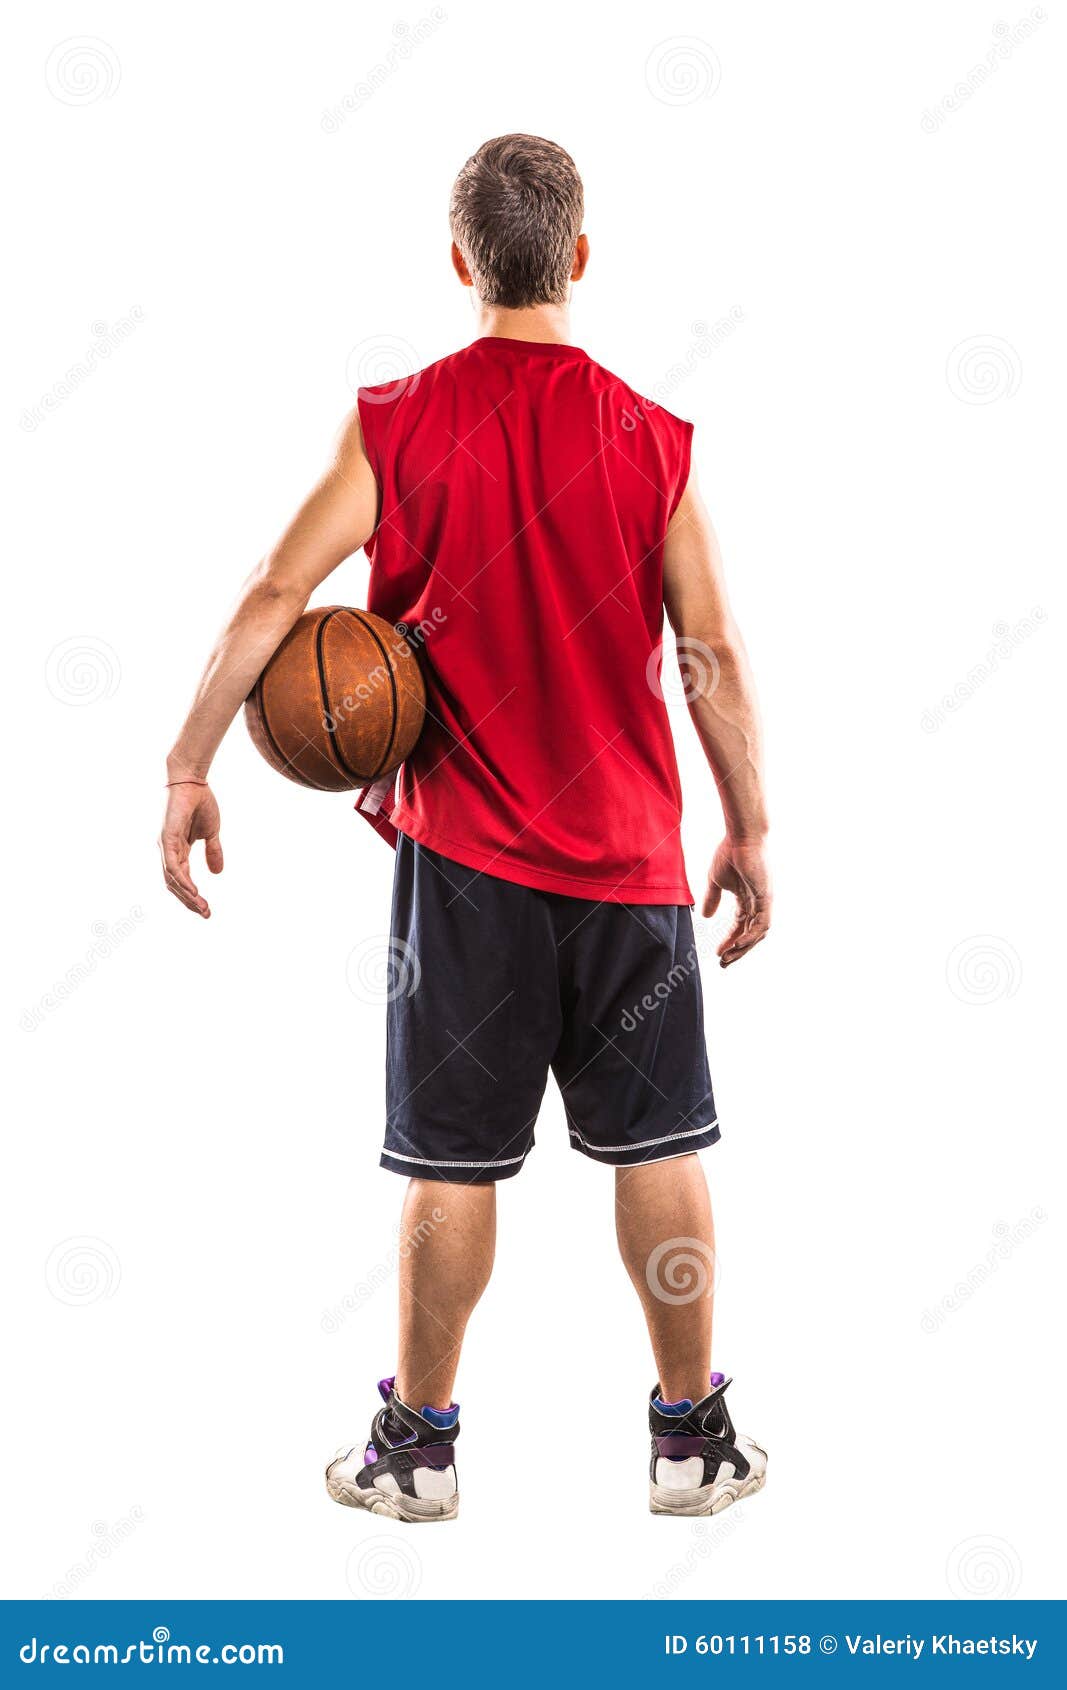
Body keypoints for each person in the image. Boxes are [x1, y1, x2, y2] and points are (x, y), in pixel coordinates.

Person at [160, 134, 771, 1523]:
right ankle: (690, 1441)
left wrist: (190, 762)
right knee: (660, 1144)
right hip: (627, 867)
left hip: (468, 873)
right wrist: (751, 826)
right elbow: (714, 654)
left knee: (448, 1165)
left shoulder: (397, 421)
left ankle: (418, 1451)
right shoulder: (653, 439)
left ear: (459, 261)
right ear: (581, 255)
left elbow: (271, 596)